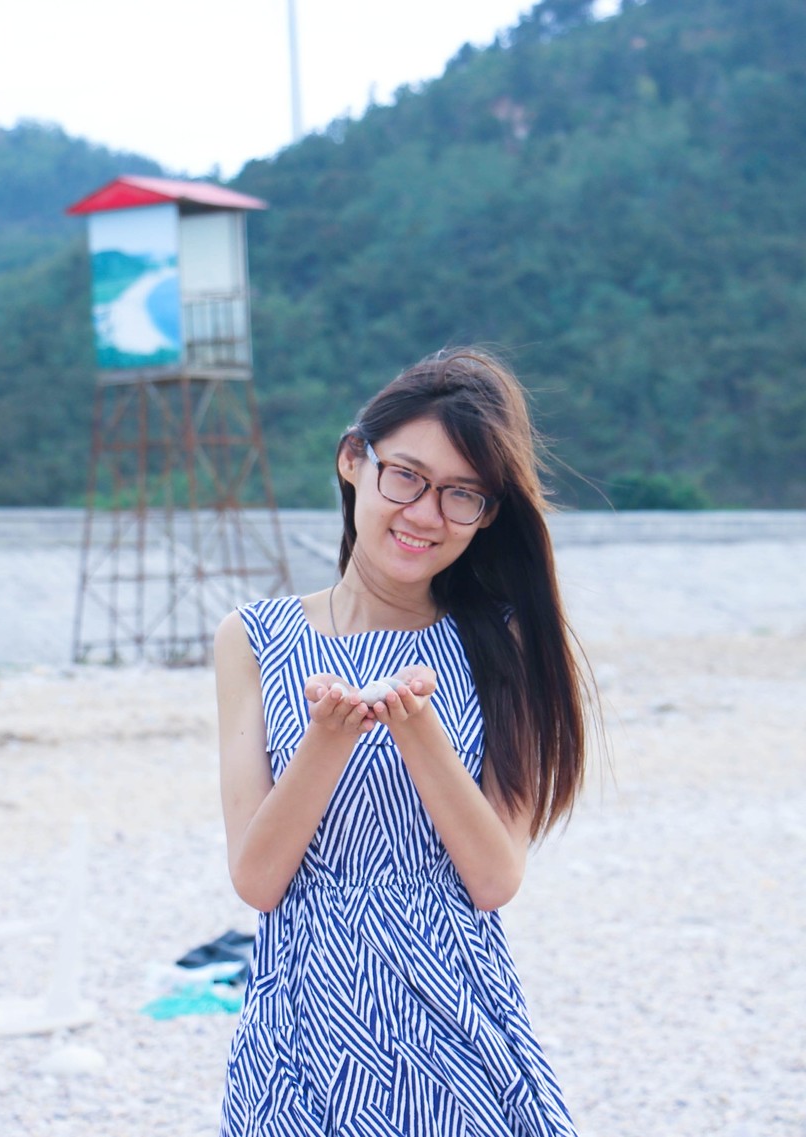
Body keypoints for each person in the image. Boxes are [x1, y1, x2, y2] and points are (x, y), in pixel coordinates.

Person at [214, 347, 591, 1136]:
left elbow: (493, 876)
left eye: (462, 494)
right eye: (407, 477)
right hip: (302, 1031)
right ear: (355, 460)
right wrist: (328, 740)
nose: (425, 514)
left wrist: (420, 732)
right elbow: (258, 879)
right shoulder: (253, 638)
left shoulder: (501, 642)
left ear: (488, 514)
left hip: (458, 1027)